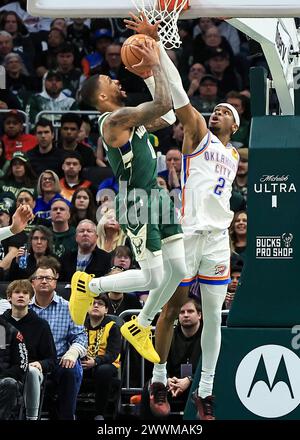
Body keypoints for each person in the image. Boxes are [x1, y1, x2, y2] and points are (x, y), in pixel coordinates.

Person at [124, 13, 240, 420]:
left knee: (212, 318)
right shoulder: (198, 133)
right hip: (189, 233)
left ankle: (205, 391)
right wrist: (156, 50)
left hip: (217, 239)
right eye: (217, 109)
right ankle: (157, 377)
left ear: (235, 125)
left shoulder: (231, 154)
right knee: (172, 307)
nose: (218, 113)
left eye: (225, 112)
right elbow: (178, 98)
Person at [70, 38, 186, 366]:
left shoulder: (132, 120)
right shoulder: (114, 122)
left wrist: (153, 70)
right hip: (138, 201)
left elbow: (171, 113)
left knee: (178, 269)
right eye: (110, 81)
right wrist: (156, 63)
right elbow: (162, 103)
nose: (117, 80)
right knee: (152, 278)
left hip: (158, 197)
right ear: (103, 96)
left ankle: (141, 323)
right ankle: (91, 284)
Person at [2, 279, 57, 420]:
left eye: (25, 293)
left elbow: (51, 360)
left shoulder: (41, 325)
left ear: (30, 298)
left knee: (31, 371)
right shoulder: (2, 324)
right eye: (17, 292)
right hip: (6, 370)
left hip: (31, 369)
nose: (21, 295)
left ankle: (31, 417)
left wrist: (40, 364)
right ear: (9, 297)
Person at [83, 293, 122, 420]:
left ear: (106, 310)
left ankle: (99, 413)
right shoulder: (80, 325)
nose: (95, 305)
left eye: (100, 304)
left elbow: (113, 353)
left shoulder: (112, 327)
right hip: (83, 362)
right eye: (92, 303)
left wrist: (95, 361)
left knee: (103, 371)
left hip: (106, 364)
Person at [0, 314, 28, 420]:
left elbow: (22, 366)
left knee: (9, 384)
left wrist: (3, 374)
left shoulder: (12, 332)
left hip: (4, 382)